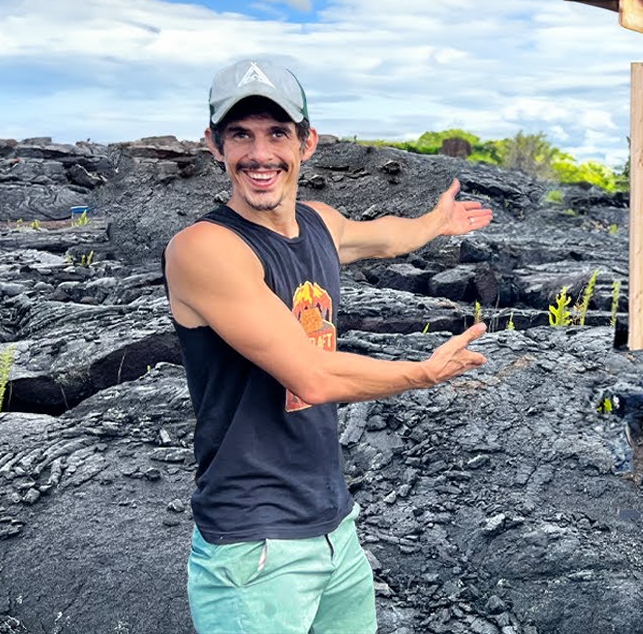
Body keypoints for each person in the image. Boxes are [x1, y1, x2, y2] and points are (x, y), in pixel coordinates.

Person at [163, 59, 493, 633]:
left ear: (307, 142)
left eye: (276, 133)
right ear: (213, 145)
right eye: (240, 134)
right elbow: (311, 377)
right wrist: (421, 373)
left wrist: (433, 223)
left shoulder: (317, 222)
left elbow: (384, 236)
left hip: (334, 527)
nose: (259, 154)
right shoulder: (205, 249)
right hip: (254, 547)